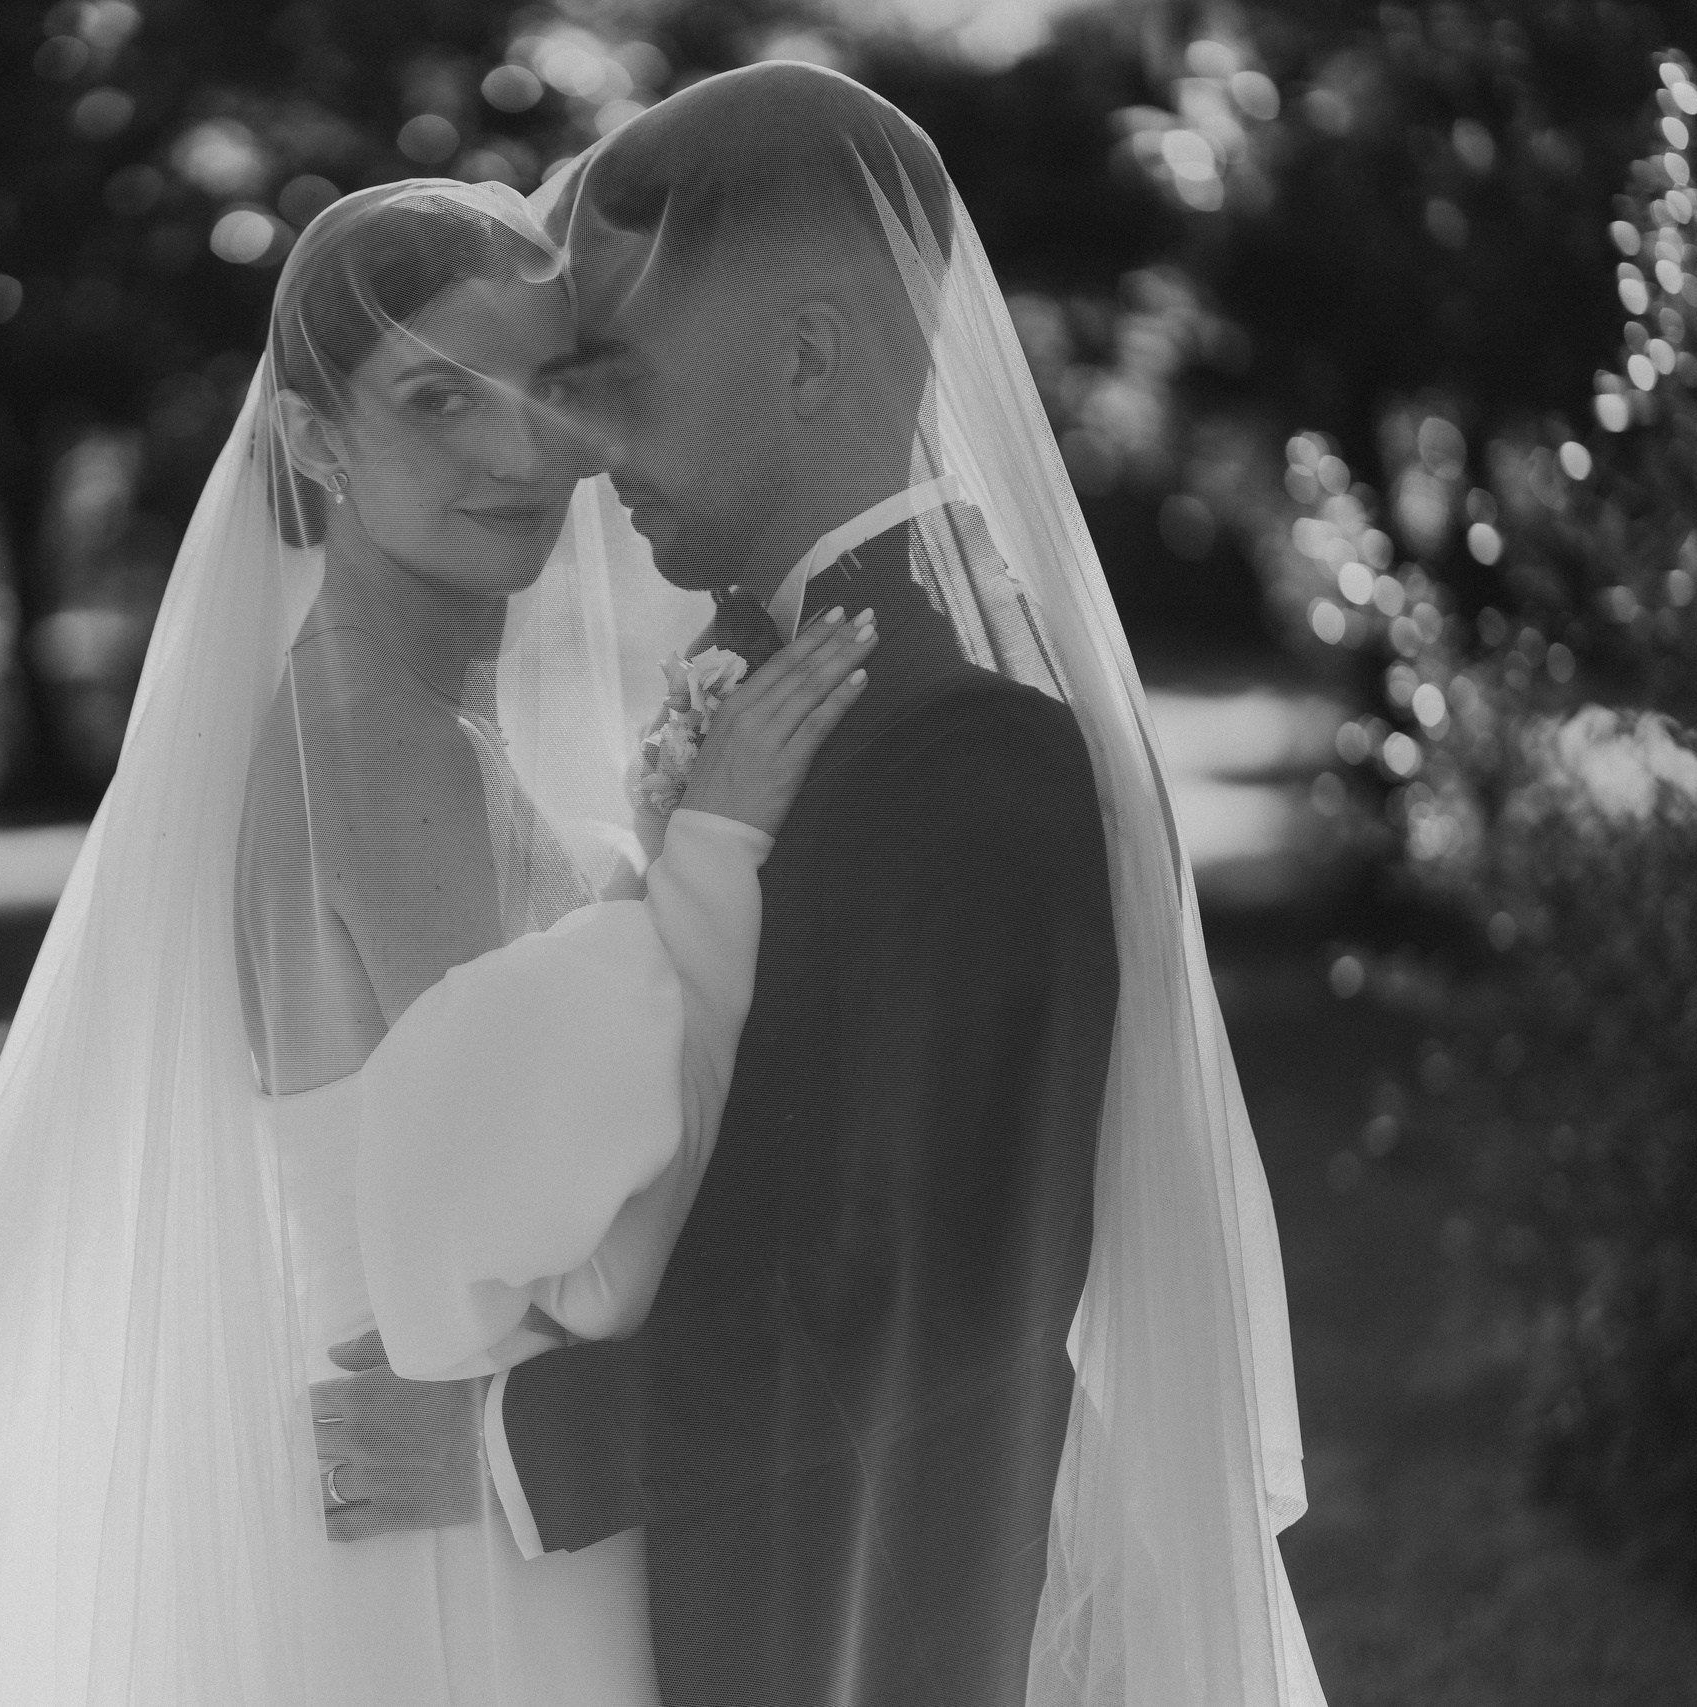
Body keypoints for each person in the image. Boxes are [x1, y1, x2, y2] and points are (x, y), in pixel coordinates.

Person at [0, 177, 874, 1707]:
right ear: (317, 440)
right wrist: (714, 863)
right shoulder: (384, 744)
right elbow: (561, 1243)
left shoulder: (390, 704)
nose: (520, 445)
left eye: (550, 386)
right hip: (453, 1541)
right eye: (440, 399)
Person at [315, 63, 1329, 1707]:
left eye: (618, 379)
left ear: (807, 355)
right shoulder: (783, 688)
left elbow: (932, 1301)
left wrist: (504, 1444)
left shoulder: (968, 753)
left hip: (867, 1625)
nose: (576, 439)